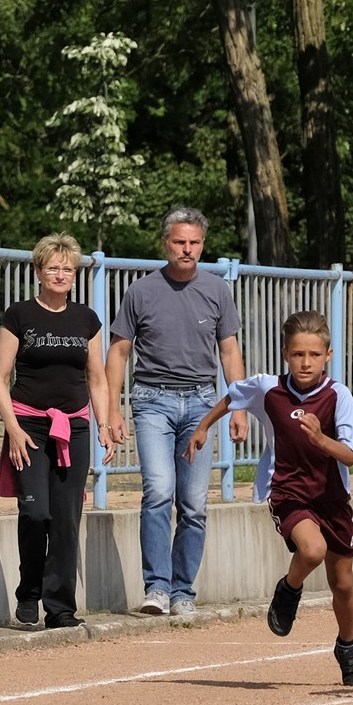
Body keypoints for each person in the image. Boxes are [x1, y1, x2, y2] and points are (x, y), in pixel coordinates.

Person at [184, 310, 353, 685]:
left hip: (332, 497)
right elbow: (233, 396)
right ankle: (289, 588)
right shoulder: (269, 388)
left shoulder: (338, 395)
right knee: (312, 550)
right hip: (287, 491)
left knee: (343, 583)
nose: (306, 362)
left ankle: (348, 647)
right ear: (286, 353)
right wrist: (204, 426)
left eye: (314, 355)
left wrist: (320, 439)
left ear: (328, 355)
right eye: (298, 354)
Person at [103, 207, 248, 617]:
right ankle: (157, 588)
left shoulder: (217, 290)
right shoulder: (141, 291)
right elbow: (119, 351)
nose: (187, 249)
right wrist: (112, 408)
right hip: (153, 401)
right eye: (180, 242)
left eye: (194, 242)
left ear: (203, 245)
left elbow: (229, 351)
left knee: (194, 503)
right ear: (165, 243)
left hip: (202, 403)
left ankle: (183, 591)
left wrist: (239, 407)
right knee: (158, 490)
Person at [0, 234, 120, 629]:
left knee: (65, 519)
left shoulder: (87, 320)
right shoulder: (19, 315)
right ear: (39, 271)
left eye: (68, 269)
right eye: (53, 268)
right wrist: (13, 429)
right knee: (35, 513)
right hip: (28, 426)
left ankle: (60, 608)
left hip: (74, 427)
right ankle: (28, 594)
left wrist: (103, 424)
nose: (61, 275)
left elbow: (97, 378)